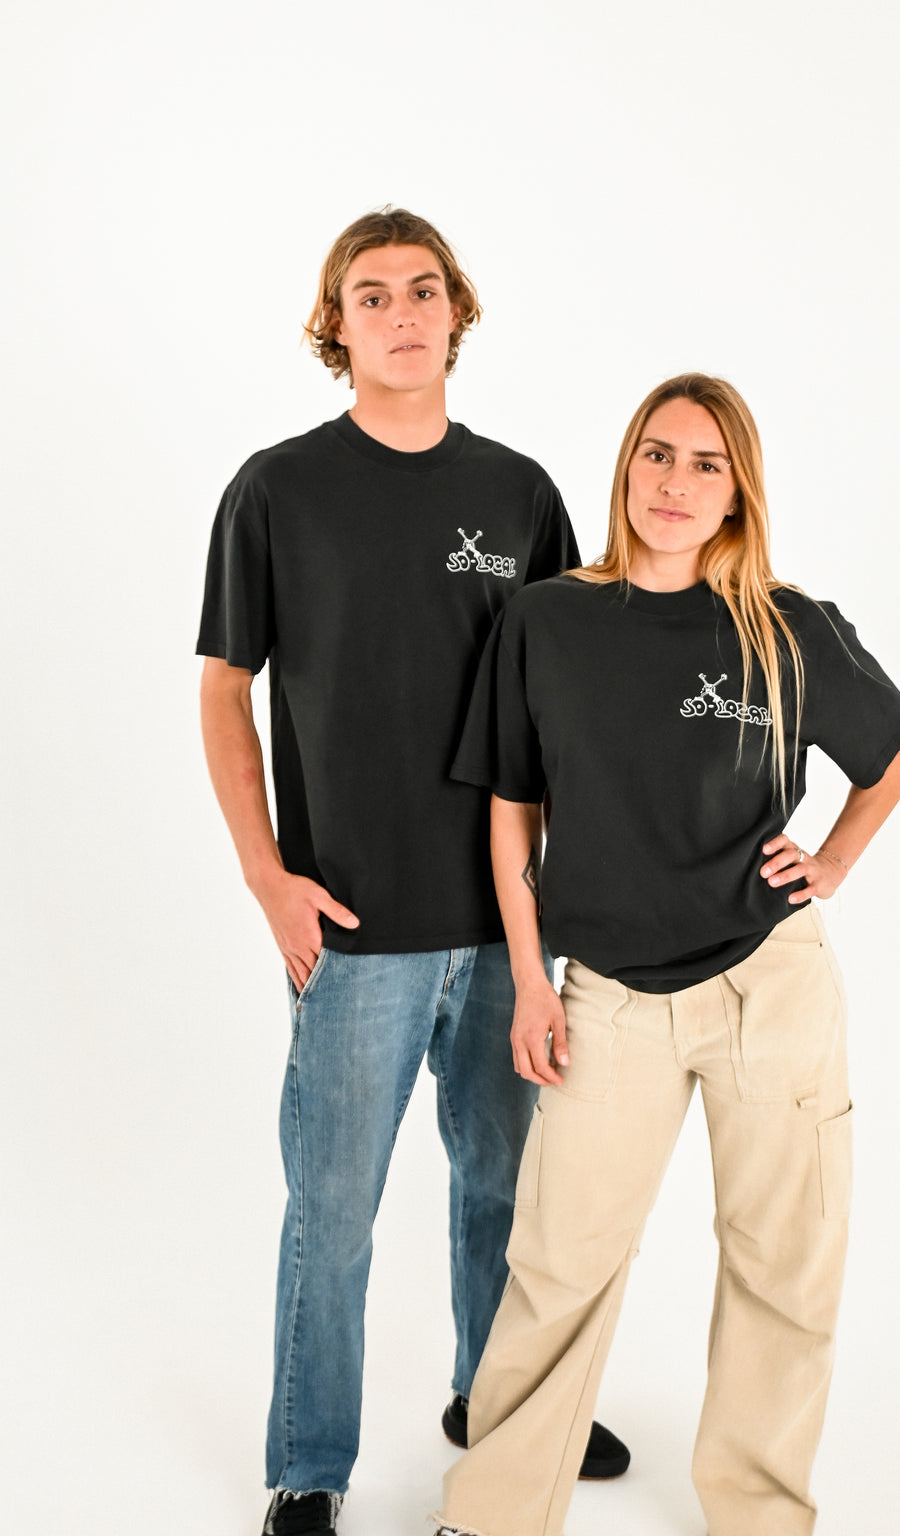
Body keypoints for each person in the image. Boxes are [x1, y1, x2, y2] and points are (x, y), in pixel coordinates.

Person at [195, 207, 628, 1536]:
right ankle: (309, 1467)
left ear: (457, 313)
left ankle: (491, 1408)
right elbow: (224, 691)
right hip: (353, 929)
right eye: (371, 294)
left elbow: (577, 703)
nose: (401, 311)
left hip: (504, 924)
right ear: (338, 324)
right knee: (334, 1212)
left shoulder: (520, 496)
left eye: (423, 289)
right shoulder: (276, 489)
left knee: (506, 1191)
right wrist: (269, 876)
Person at [436, 372, 900, 1536]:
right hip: (607, 998)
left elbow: (897, 746)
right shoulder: (548, 619)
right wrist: (524, 978)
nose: (675, 481)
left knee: (780, 1268)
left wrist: (837, 859)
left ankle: (757, 1515)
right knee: (557, 1266)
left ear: (736, 490)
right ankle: (494, 1512)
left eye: (706, 464)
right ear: (626, 468)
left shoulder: (784, 626)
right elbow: (512, 808)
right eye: (658, 454)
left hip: (770, 985)